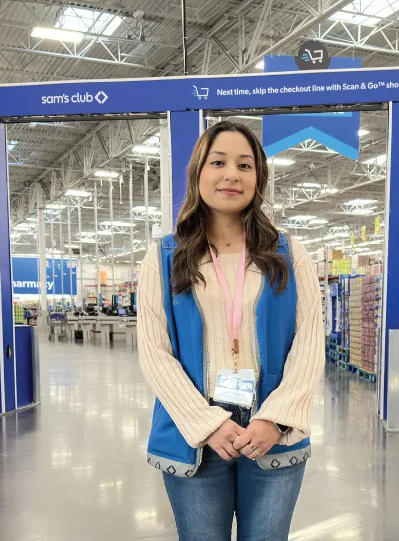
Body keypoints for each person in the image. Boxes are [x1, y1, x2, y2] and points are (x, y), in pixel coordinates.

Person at [138, 121, 324, 540]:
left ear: (258, 177)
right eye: (218, 162)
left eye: (245, 165)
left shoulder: (289, 253)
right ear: (198, 173)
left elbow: (310, 343)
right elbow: (154, 352)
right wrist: (207, 423)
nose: (231, 175)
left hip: (270, 431)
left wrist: (275, 419)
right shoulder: (164, 257)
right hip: (196, 435)